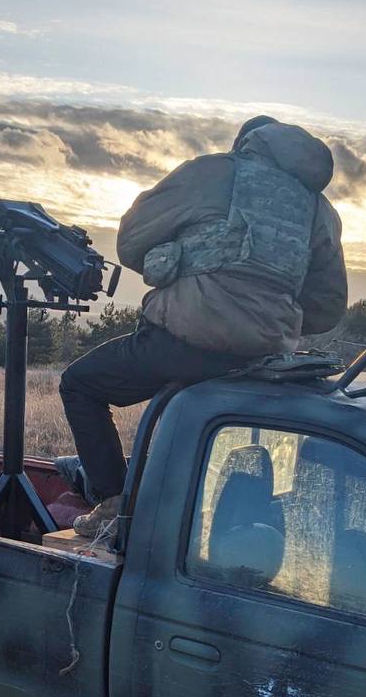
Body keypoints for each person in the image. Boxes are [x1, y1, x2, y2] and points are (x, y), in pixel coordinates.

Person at [60, 116, 348, 538]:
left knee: (80, 384)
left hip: (185, 342)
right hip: (267, 355)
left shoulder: (212, 172)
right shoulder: (320, 210)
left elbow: (131, 241)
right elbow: (327, 308)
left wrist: (179, 255)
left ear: (247, 144)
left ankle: (114, 505)